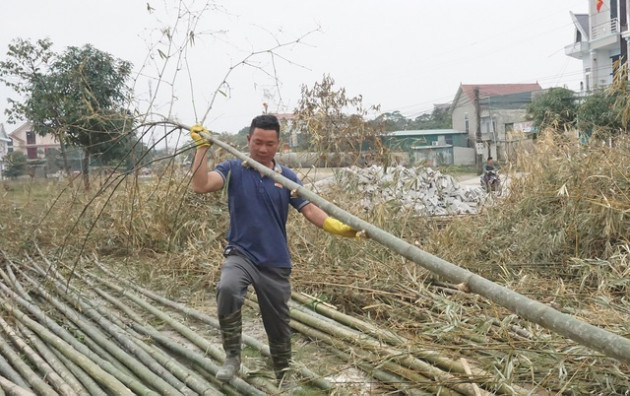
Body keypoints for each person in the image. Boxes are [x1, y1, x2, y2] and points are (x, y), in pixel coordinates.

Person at [189, 114, 361, 386]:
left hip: (274, 260)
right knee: (228, 288)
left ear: (278, 144)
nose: (263, 149)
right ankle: (233, 356)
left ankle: (283, 373)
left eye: (270, 144)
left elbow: (309, 209)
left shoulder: (287, 178)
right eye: (257, 142)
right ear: (248, 140)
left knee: (278, 324)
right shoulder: (233, 168)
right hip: (241, 254)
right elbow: (201, 185)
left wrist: (337, 227)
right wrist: (201, 148)